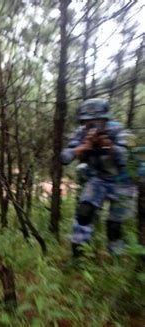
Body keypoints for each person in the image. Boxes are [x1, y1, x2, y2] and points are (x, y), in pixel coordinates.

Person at [61, 98, 136, 258]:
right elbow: (64, 157)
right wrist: (81, 148)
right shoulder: (81, 133)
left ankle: (116, 257)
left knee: (114, 225)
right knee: (84, 213)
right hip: (99, 179)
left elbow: (126, 157)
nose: (92, 125)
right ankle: (78, 256)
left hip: (123, 181)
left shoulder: (118, 131)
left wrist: (108, 145)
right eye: (88, 121)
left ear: (105, 119)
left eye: (96, 121)